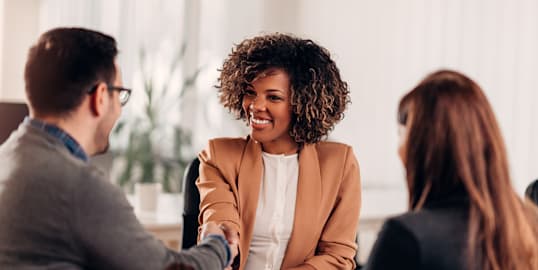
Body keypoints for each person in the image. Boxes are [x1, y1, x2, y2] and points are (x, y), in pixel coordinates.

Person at [0, 27, 237, 270]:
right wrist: (219, 244)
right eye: (120, 94)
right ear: (100, 97)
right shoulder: (78, 186)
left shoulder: (7, 156)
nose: (120, 108)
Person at [197, 33, 361, 270]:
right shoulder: (219, 156)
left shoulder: (339, 164)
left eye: (273, 97)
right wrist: (220, 237)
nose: (255, 105)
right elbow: (220, 217)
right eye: (250, 92)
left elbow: (337, 256)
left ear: (303, 103)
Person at [364, 70, 538, 270]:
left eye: (403, 134)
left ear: (424, 146)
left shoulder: (406, 237)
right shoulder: (526, 225)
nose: (399, 150)